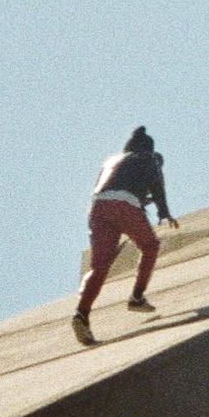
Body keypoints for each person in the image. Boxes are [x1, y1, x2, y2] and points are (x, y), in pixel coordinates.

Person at [72, 126, 176, 337]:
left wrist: (139, 199)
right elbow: (156, 185)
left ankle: (81, 314)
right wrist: (163, 212)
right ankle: (137, 297)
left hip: (97, 208)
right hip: (124, 206)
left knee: (99, 267)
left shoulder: (111, 161)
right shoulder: (150, 158)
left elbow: (114, 187)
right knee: (150, 246)